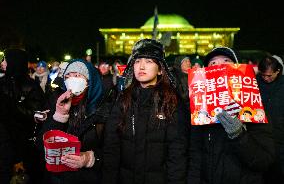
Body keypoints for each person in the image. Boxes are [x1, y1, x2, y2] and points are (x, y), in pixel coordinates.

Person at [103, 39, 188, 184]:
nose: (141, 66)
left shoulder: (172, 102)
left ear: (160, 69)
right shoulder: (123, 100)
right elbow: (111, 147)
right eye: (137, 61)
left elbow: (177, 154)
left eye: (149, 61)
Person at [188, 47, 275, 184]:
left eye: (226, 61)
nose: (220, 66)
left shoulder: (254, 106)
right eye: (213, 64)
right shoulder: (200, 112)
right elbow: (194, 158)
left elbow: (264, 161)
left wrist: (239, 135)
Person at [37, 59, 104, 184]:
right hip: (58, 177)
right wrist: (59, 115)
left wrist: (89, 158)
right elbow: (42, 146)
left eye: (77, 75)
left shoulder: (103, 109)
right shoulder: (58, 101)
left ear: (89, 81)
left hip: (88, 178)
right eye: (67, 76)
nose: (71, 79)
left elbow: (114, 150)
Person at [0, 47, 46, 184]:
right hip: (3, 142)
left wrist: (11, 106)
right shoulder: (2, 83)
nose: (2, 62)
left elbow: (37, 114)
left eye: (5, 59)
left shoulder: (31, 86)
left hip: (22, 145)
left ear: (14, 62)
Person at [257, 54, 284, 184]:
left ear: (278, 71)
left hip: (279, 137)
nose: (266, 78)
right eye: (263, 75)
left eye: (269, 75)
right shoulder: (254, 81)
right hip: (259, 135)